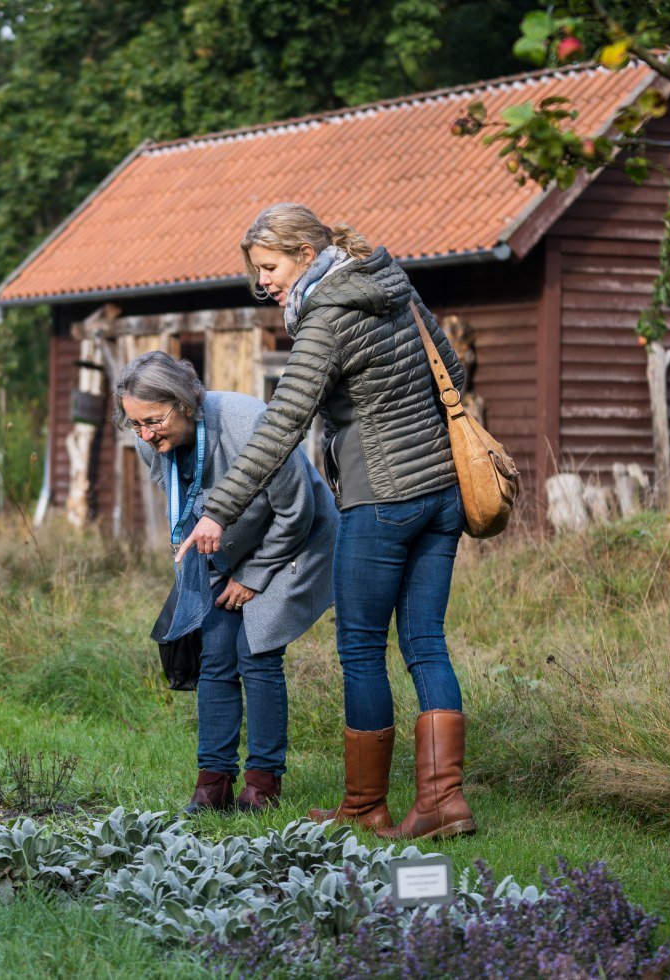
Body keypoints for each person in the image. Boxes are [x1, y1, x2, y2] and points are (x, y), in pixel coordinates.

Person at [176, 202, 475, 840]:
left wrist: (218, 510)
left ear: (307, 256)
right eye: (256, 272)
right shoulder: (393, 284)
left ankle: (366, 806)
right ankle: (445, 802)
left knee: (362, 648)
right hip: (443, 492)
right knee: (425, 642)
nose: (264, 283)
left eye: (270, 267)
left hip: (382, 498)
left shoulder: (326, 317)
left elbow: (282, 423)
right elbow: (451, 369)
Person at [115, 351, 337, 814]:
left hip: (294, 543)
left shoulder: (246, 421)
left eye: (153, 421)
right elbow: (188, 505)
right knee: (214, 656)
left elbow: (297, 512)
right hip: (225, 551)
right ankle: (212, 784)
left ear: (185, 404)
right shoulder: (149, 440)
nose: (145, 434)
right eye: (135, 424)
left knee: (254, 653)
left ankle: (262, 785)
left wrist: (253, 575)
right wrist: (210, 569)